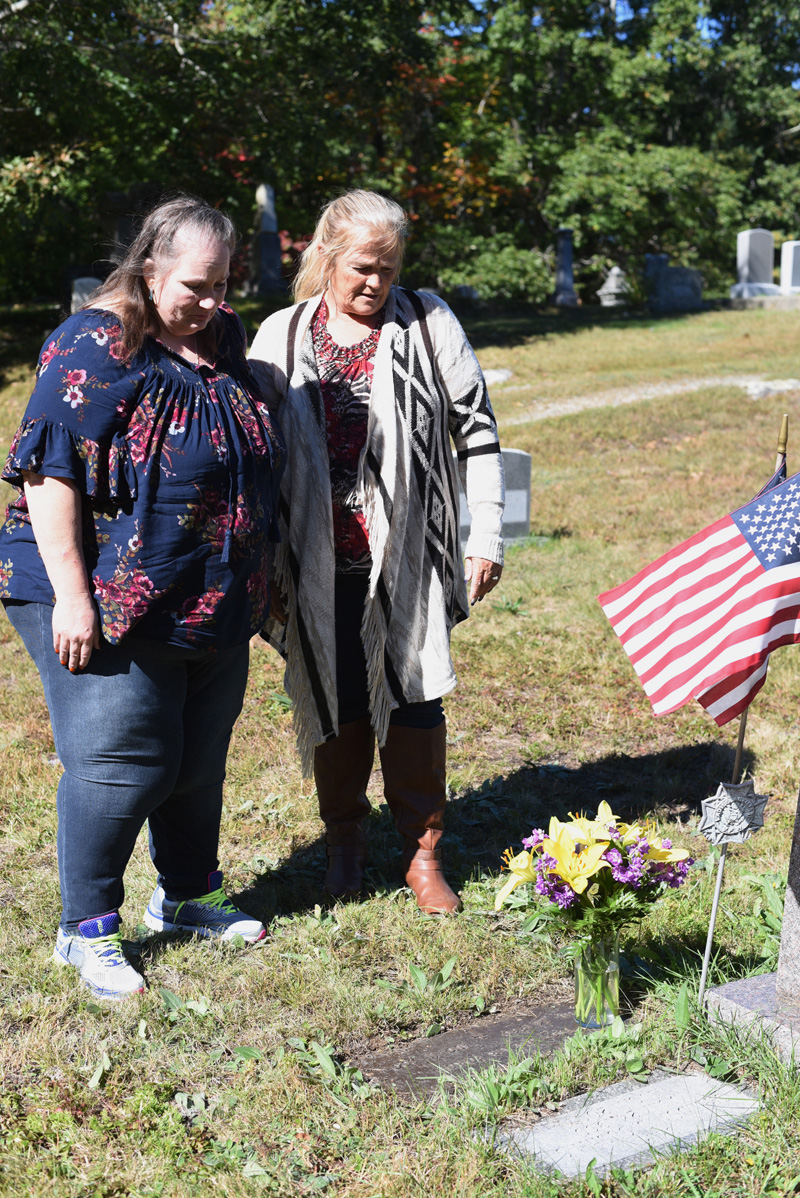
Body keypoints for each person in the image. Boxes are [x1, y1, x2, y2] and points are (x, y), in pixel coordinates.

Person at [0, 195, 286, 999]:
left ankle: (187, 897)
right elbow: (49, 469)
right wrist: (71, 597)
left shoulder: (218, 338)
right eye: (196, 284)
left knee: (197, 758)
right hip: (99, 588)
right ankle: (84, 930)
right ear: (149, 266)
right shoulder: (97, 339)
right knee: (123, 759)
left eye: (224, 283)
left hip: (203, 592)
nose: (212, 301)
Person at [248, 189, 504, 914]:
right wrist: (257, 560)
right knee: (338, 697)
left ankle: (423, 854)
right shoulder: (282, 334)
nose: (376, 284)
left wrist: (485, 533)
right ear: (326, 255)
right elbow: (255, 451)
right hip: (313, 557)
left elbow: (477, 434)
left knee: (416, 696)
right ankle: (344, 845)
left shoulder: (428, 323)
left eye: (388, 270)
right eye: (363, 267)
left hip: (409, 555)